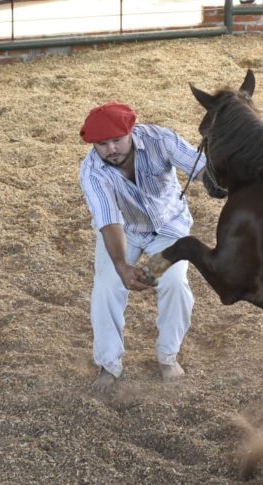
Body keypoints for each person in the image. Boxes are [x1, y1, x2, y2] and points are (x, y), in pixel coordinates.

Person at [78, 102, 207, 392]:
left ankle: (167, 356)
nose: (111, 149)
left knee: (174, 281)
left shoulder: (162, 140)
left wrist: (218, 179)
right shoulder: (91, 172)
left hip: (169, 228)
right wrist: (122, 266)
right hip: (124, 231)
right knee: (107, 286)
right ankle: (108, 365)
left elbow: (204, 170)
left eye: (117, 140)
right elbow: (109, 221)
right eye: (102, 144)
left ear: (131, 132)